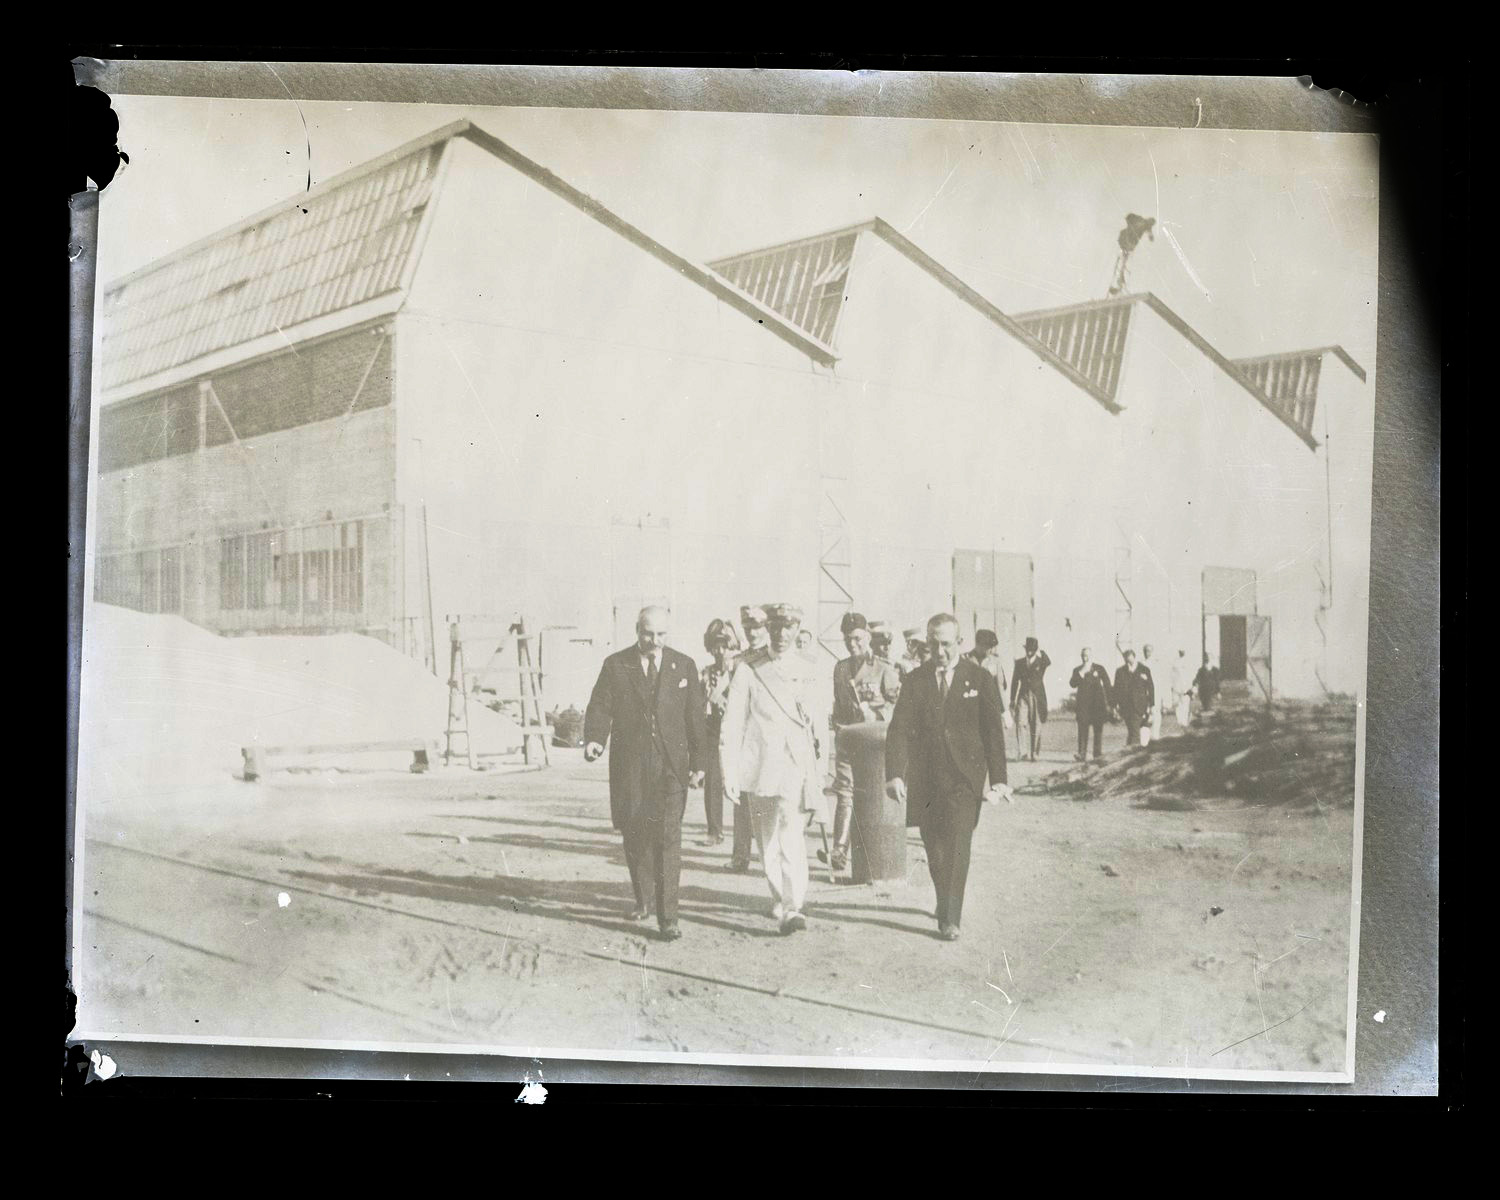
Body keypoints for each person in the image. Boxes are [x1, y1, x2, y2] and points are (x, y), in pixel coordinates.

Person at [885, 614, 1012, 942]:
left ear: (959, 642)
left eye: (946, 644)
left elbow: (992, 732)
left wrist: (999, 779)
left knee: (958, 844)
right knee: (935, 848)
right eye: (933, 644)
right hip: (926, 778)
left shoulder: (980, 678)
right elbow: (898, 729)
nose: (939, 651)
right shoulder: (916, 680)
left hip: (964, 779)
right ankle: (945, 900)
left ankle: (950, 917)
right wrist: (895, 774)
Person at [583, 606, 706, 941]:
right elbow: (600, 705)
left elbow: (695, 718)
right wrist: (595, 739)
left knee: (668, 837)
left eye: (661, 634)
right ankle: (643, 899)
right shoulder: (616, 665)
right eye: (648, 634)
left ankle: (669, 919)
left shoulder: (684, 665)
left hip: (671, 766)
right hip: (631, 767)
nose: (654, 640)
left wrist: (699, 763)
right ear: (637, 630)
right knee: (635, 833)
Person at [719, 603, 825, 935]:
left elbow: (819, 725)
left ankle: (793, 907)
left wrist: (819, 769)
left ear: (797, 629)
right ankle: (780, 896)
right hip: (760, 765)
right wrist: (729, 771)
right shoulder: (749, 669)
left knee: (791, 833)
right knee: (766, 840)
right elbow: (733, 722)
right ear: (768, 629)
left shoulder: (809, 669)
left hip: (794, 763)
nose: (781, 634)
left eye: (788, 628)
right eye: (776, 628)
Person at [828, 611, 902, 871]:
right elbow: (838, 706)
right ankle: (839, 849)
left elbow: (897, 706)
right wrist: (838, 727)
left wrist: (876, 714)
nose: (852, 644)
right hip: (848, 739)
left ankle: (877, 852)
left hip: (874, 745)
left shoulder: (884, 669)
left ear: (868, 637)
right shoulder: (840, 668)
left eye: (857, 638)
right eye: (847, 639)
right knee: (845, 791)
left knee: (872, 795)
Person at [725, 605, 770, 873]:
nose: (752, 632)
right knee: (742, 798)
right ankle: (740, 854)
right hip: (745, 738)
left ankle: (770, 860)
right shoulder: (739, 661)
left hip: (768, 737)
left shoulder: (773, 657)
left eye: (757, 627)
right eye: (748, 628)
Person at [699, 617, 742, 847]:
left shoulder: (741, 671)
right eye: (716, 646)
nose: (721, 651)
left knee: (742, 783)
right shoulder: (706, 673)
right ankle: (714, 830)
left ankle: (745, 832)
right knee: (713, 782)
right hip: (713, 731)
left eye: (725, 646)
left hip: (738, 733)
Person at [1010, 637, 1051, 761]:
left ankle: (1034, 753)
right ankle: (1022, 752)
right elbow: (1014, 682)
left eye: (1032, 649)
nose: (1029, 651)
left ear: (1035, 650)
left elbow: (1048, 661)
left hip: (1037, 696)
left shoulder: (1041, 662)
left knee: (1036, 724)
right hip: (1023, 695)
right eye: (1027, 649)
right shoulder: (1019, 663)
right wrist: (1012, 699)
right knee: (1020, 722)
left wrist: (1040, 651)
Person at [966, 629, 1015, 732]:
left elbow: (1000, 687)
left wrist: (1005, 711)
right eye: (988, 647)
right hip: (970, 708)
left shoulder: (995, 661)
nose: (991, 650)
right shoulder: (966, 660)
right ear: (979, 644)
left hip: (990, 708)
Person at [1069, 647, 1113, 762]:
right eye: (1084, 655)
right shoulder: (1077, 670)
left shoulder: (1099, 668)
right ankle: (1082, 753)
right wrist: (1081, 673)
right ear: (1081, 656)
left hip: (1097, 705)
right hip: (1083, 706)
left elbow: (1107, 684)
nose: (1086, 658)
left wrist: (1111, 702)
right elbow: (1072, 684)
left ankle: (1097, 755)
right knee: (1082, 730)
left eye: (1088, 655)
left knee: (1098, 730)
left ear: (1091, 656)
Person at [1112, 648, 1155, 750]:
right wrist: (1114, 705)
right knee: (1132, 730)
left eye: (1130, 660)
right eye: (1126, 660)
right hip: (1126, 706)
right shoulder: (1120, 671)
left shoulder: (1144, 670)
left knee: (1135, 730)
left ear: (1134, 658)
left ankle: (1133, 750)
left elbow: (1151, 688)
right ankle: (1132, 750)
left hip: (1140, 705)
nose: (1128, 662)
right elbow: (1116, 689)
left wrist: (1151, 704)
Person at [1142, 644, 1163, 742]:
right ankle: (1146, 737)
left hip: (1156, 691)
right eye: (1146, 650)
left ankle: (1155, 736)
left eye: (1149, 650)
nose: (1148, 653)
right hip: (1144, 692)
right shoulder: (1141, 664)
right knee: (1146, 713)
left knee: (1156, 712)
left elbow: (1160, 679)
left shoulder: (1156, 663)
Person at [1170, 649, 1194, 730]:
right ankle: (1180, 722)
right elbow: (1172, 675)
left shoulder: (1188, 662)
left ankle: (1184, 722)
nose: (1182, 653)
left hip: (1186, 687)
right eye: (1180, 651)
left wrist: (1191, 687)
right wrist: (1172, 686)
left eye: (1183, 651)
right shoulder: (1175, 662)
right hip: (1177, 687)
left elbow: (1190, 675)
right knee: (1178, 705)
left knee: (1185, 704)